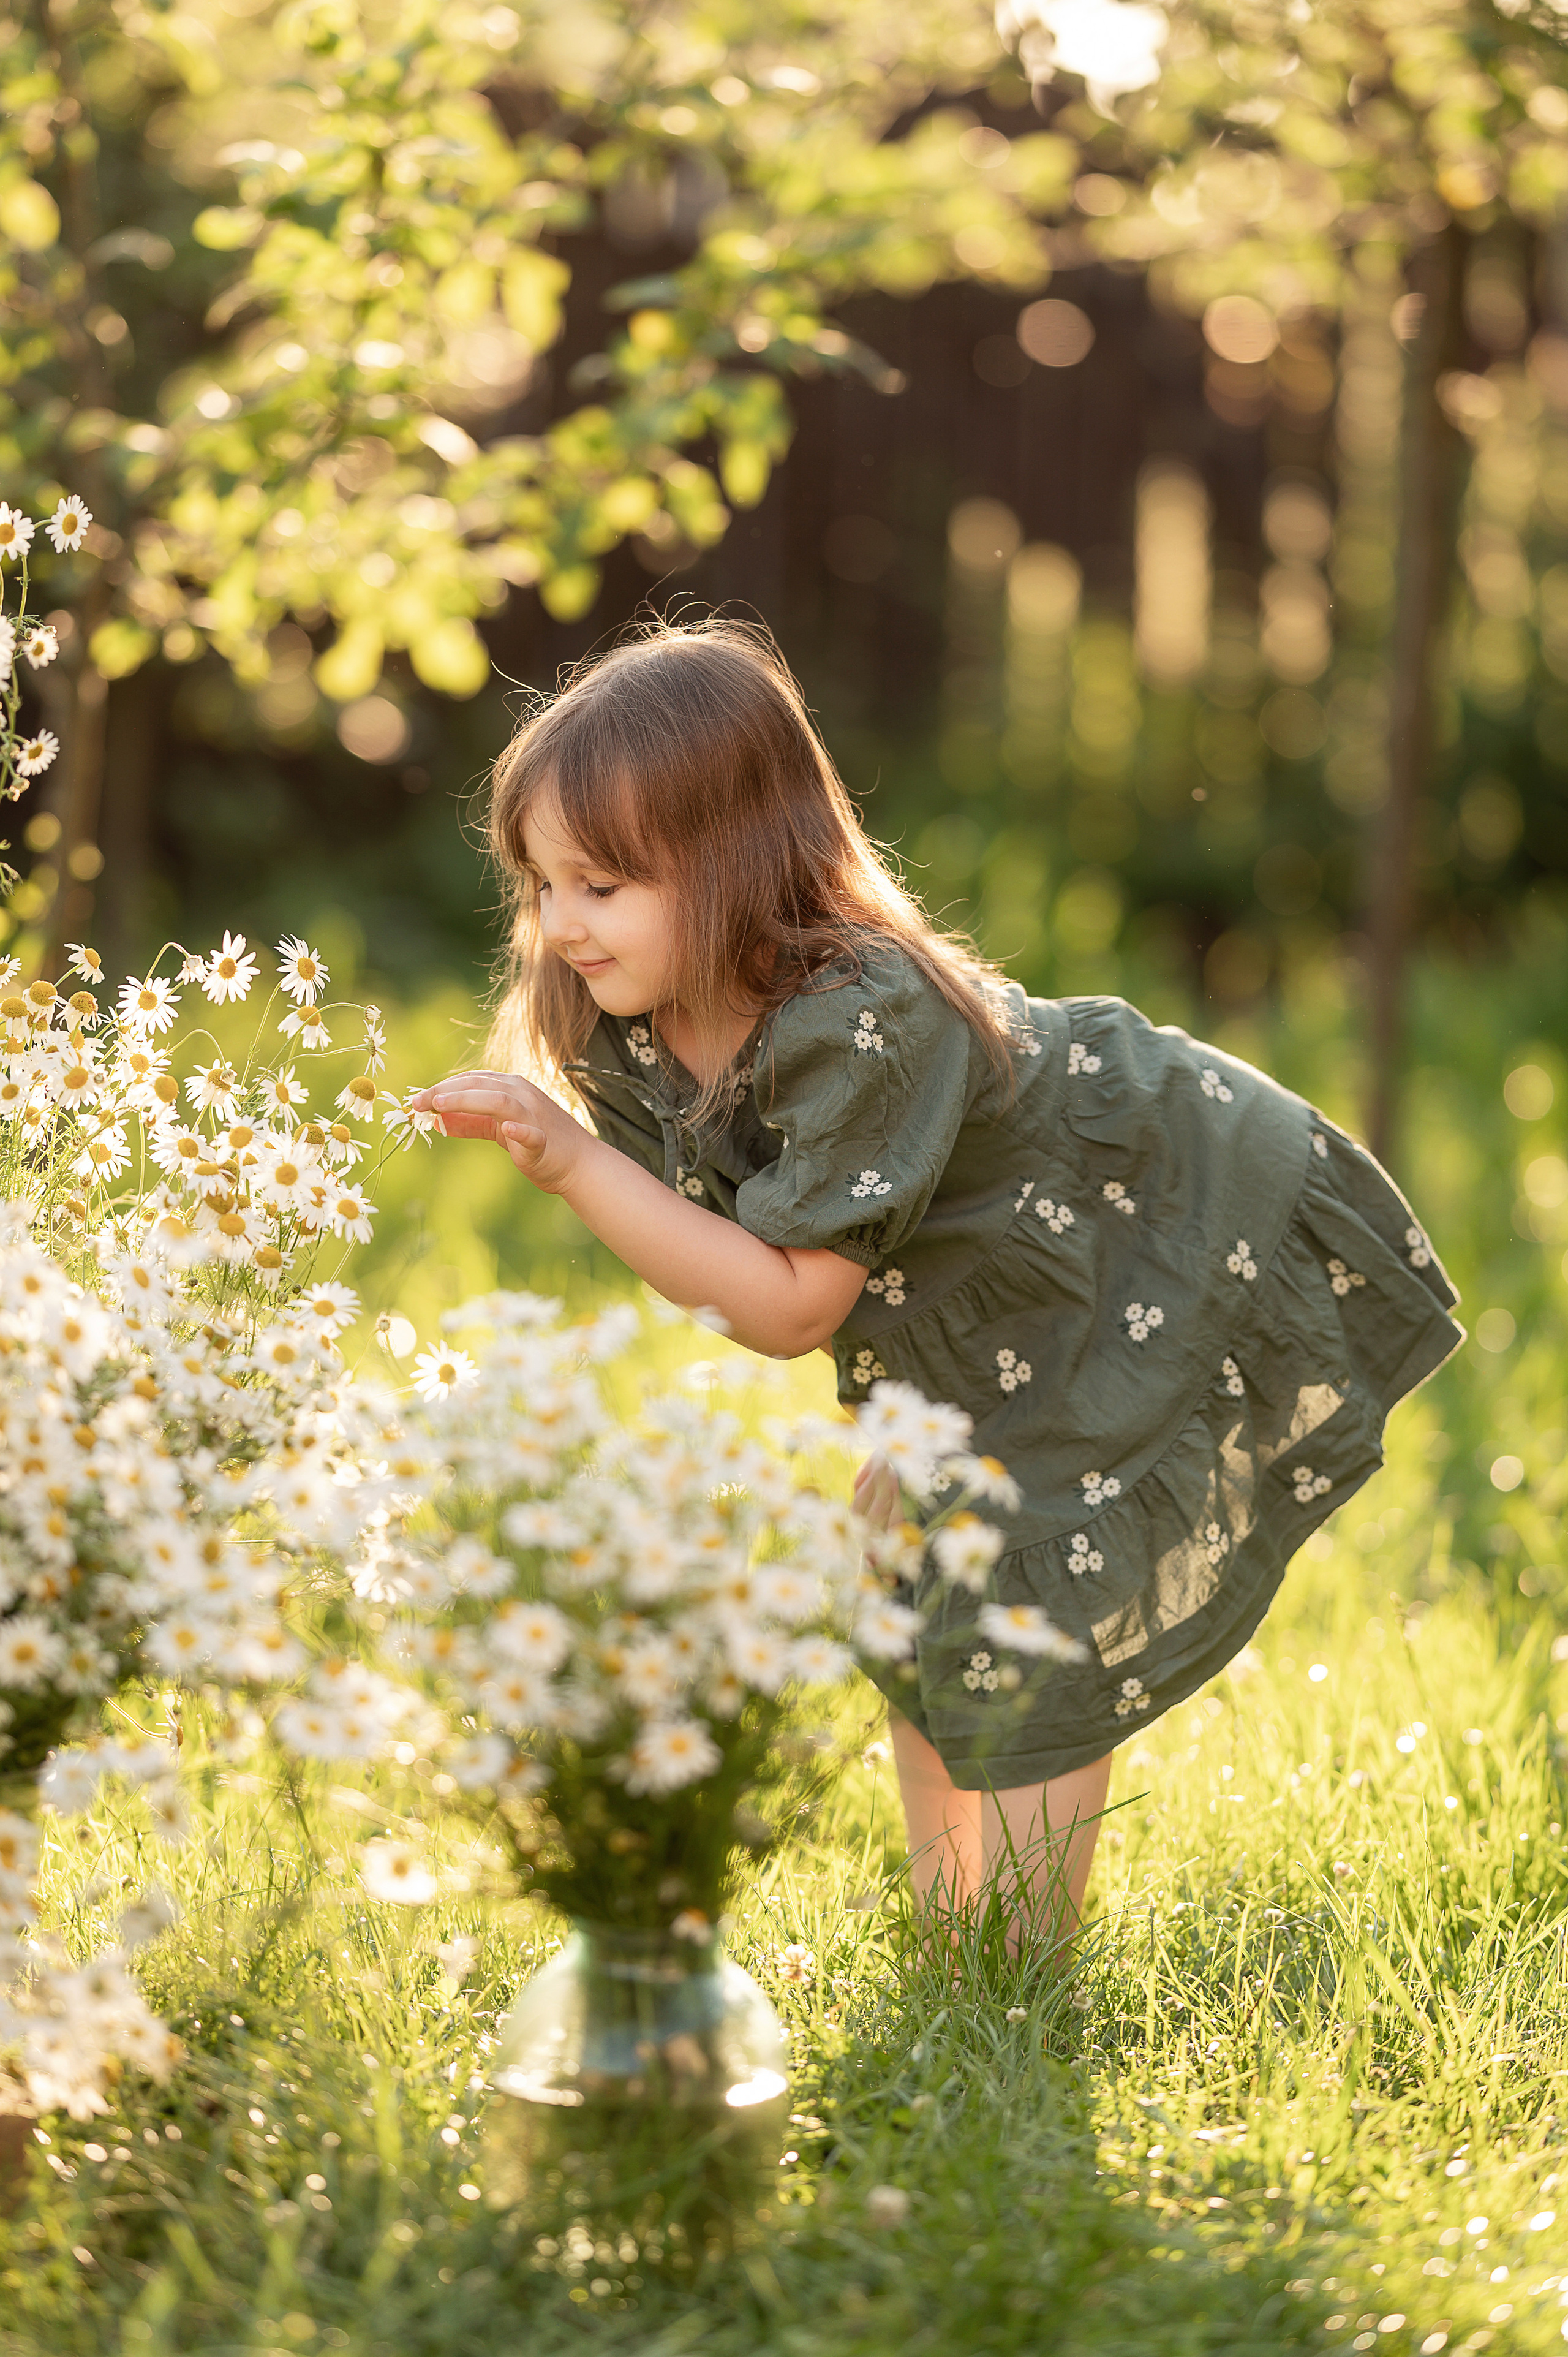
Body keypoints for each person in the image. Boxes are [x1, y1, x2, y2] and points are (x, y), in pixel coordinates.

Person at [411, 617, 1463, 1938]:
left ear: (733, 862)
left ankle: (1021, 1952)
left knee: (1027, 1576)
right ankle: (950, 1931)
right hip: (971, 1309)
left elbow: (791, 1304)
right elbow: (741, 1256)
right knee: (908, 1577)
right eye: (540, 883)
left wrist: (568, 1164)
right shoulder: (633, 1021)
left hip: (1135, 1219)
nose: (561, 923)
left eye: (602, 885)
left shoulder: (862, 1011)